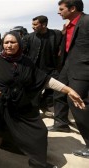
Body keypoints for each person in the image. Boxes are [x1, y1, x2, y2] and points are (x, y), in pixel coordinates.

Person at [0, 31, 85, 168]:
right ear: (2, 44)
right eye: (6, 42)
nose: (9, 45)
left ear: (19, 43)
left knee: (40, 132)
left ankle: (37, 162)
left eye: (13, 42)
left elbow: (45, 80)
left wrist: (69, 90)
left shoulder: (26, 62)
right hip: (3, 107)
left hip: (23, 106)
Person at [51, 0, 89, 157]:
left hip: (82, 68)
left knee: (77, 103)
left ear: (72, 8)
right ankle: (61, 124)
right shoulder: (68, 26)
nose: (58, 12)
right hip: (67, 66)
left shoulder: (87, 21)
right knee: (58, 93)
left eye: (61, 9)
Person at [23, 15, 63, 116]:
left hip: (52, 69)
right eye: (32, 24)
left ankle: (44, 104)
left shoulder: (56, 34)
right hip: (35, 70)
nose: (33, 26)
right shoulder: (29, 37)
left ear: (44, 24)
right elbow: (22, 52)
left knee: (56, 88)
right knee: (34, 92)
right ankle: (35, 110)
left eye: (35, 24)